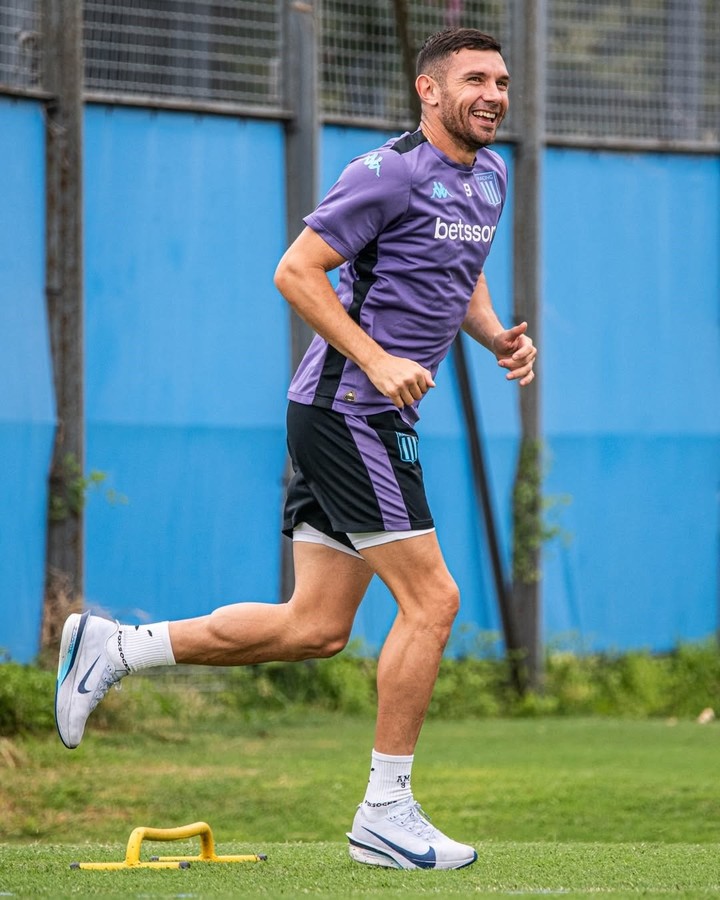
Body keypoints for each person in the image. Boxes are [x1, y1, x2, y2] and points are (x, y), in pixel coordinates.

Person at [55, 27, 536, 871]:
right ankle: (385, 811)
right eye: (474, 79)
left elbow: (460, 274)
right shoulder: (385, 173)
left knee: (315, 627)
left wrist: (495, 336)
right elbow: (296, 272)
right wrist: (380, 359)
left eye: (501, 79)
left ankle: (115, 647)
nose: (494, 93)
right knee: (435, 603)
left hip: (349, 415)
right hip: (350, 409)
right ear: (428, 90)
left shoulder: (490, 176)